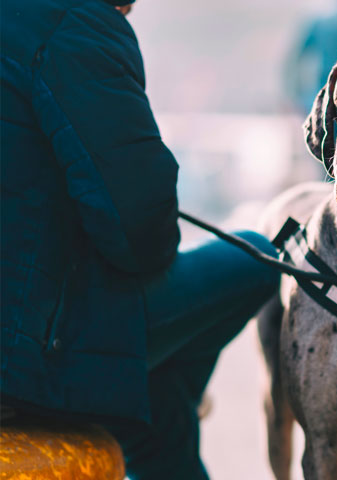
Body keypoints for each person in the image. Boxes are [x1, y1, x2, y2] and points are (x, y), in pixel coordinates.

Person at [0, 1, 279, 479]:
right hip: (22, 360)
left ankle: (148, 409)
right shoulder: (71, 23)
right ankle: (147, 412)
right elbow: (142, 237)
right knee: (259, 258)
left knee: (156, 394)